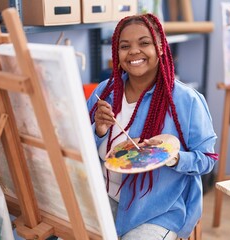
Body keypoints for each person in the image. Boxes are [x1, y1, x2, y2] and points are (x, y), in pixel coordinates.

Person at [87, 13, 218, 240]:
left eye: (144, 43)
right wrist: (99, 130)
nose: (134, 51)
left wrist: (172, 157)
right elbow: (79, 150)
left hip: (157, 212)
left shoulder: (187, 100)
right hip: (103, 199)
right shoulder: (103, 94)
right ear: (117, 54)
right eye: (124, 46)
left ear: (160, 47)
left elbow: (207, 159)